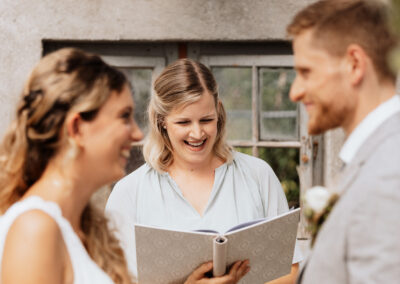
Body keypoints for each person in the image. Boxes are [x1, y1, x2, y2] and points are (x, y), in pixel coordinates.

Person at [0, 48, 248, 284]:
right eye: (123, 117)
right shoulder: (34, 229)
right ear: (77, 128)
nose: (137, 133)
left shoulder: (86, 226)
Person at [106, 58, 302, 284]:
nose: (197, 133)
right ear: (162, 122)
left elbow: (290, 270)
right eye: (184, 122)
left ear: (218, 113)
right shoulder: (129, 192)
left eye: (206, 119)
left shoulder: (258, 175)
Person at [287, 0, 400, 283]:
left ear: (354, 64)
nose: (295, 92)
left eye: (305, 72)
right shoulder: (373, 157)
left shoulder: (388, 176)